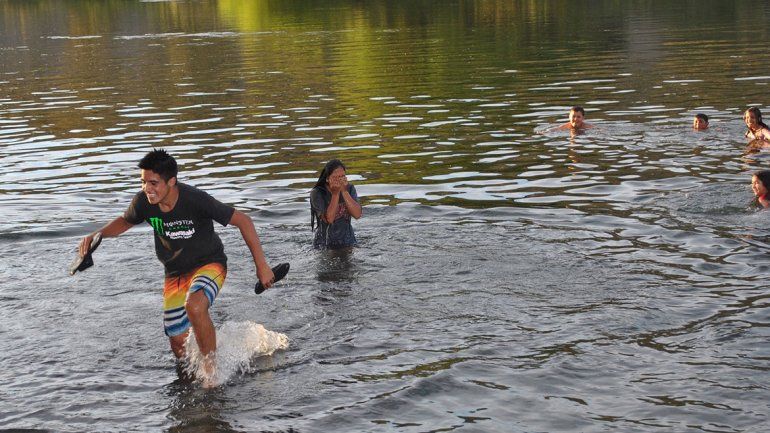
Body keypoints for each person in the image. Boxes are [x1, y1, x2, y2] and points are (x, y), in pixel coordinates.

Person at [75, 149, 275, 386]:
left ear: (172, 181)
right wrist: (98, 235)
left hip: (209, 264)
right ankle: (198, 366)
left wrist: (262, 266)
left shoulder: (195, 199)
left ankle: (212, 375)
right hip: (175, 273)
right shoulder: (143, 202)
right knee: (178, 343)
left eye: (153, 183)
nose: (147, 188)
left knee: (195, 305)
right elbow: (125, 221)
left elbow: (243, 220)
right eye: (143, 182)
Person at [310, 159, 362, 249]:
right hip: (324, 245)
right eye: (336, 177)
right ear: (327, 179)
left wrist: (344, 191)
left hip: (348, 241)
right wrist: (335, 193)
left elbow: (357, 214)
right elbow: (329, 219)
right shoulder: (317, 193)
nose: (340, 181)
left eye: (342, 177)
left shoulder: (349, 189)